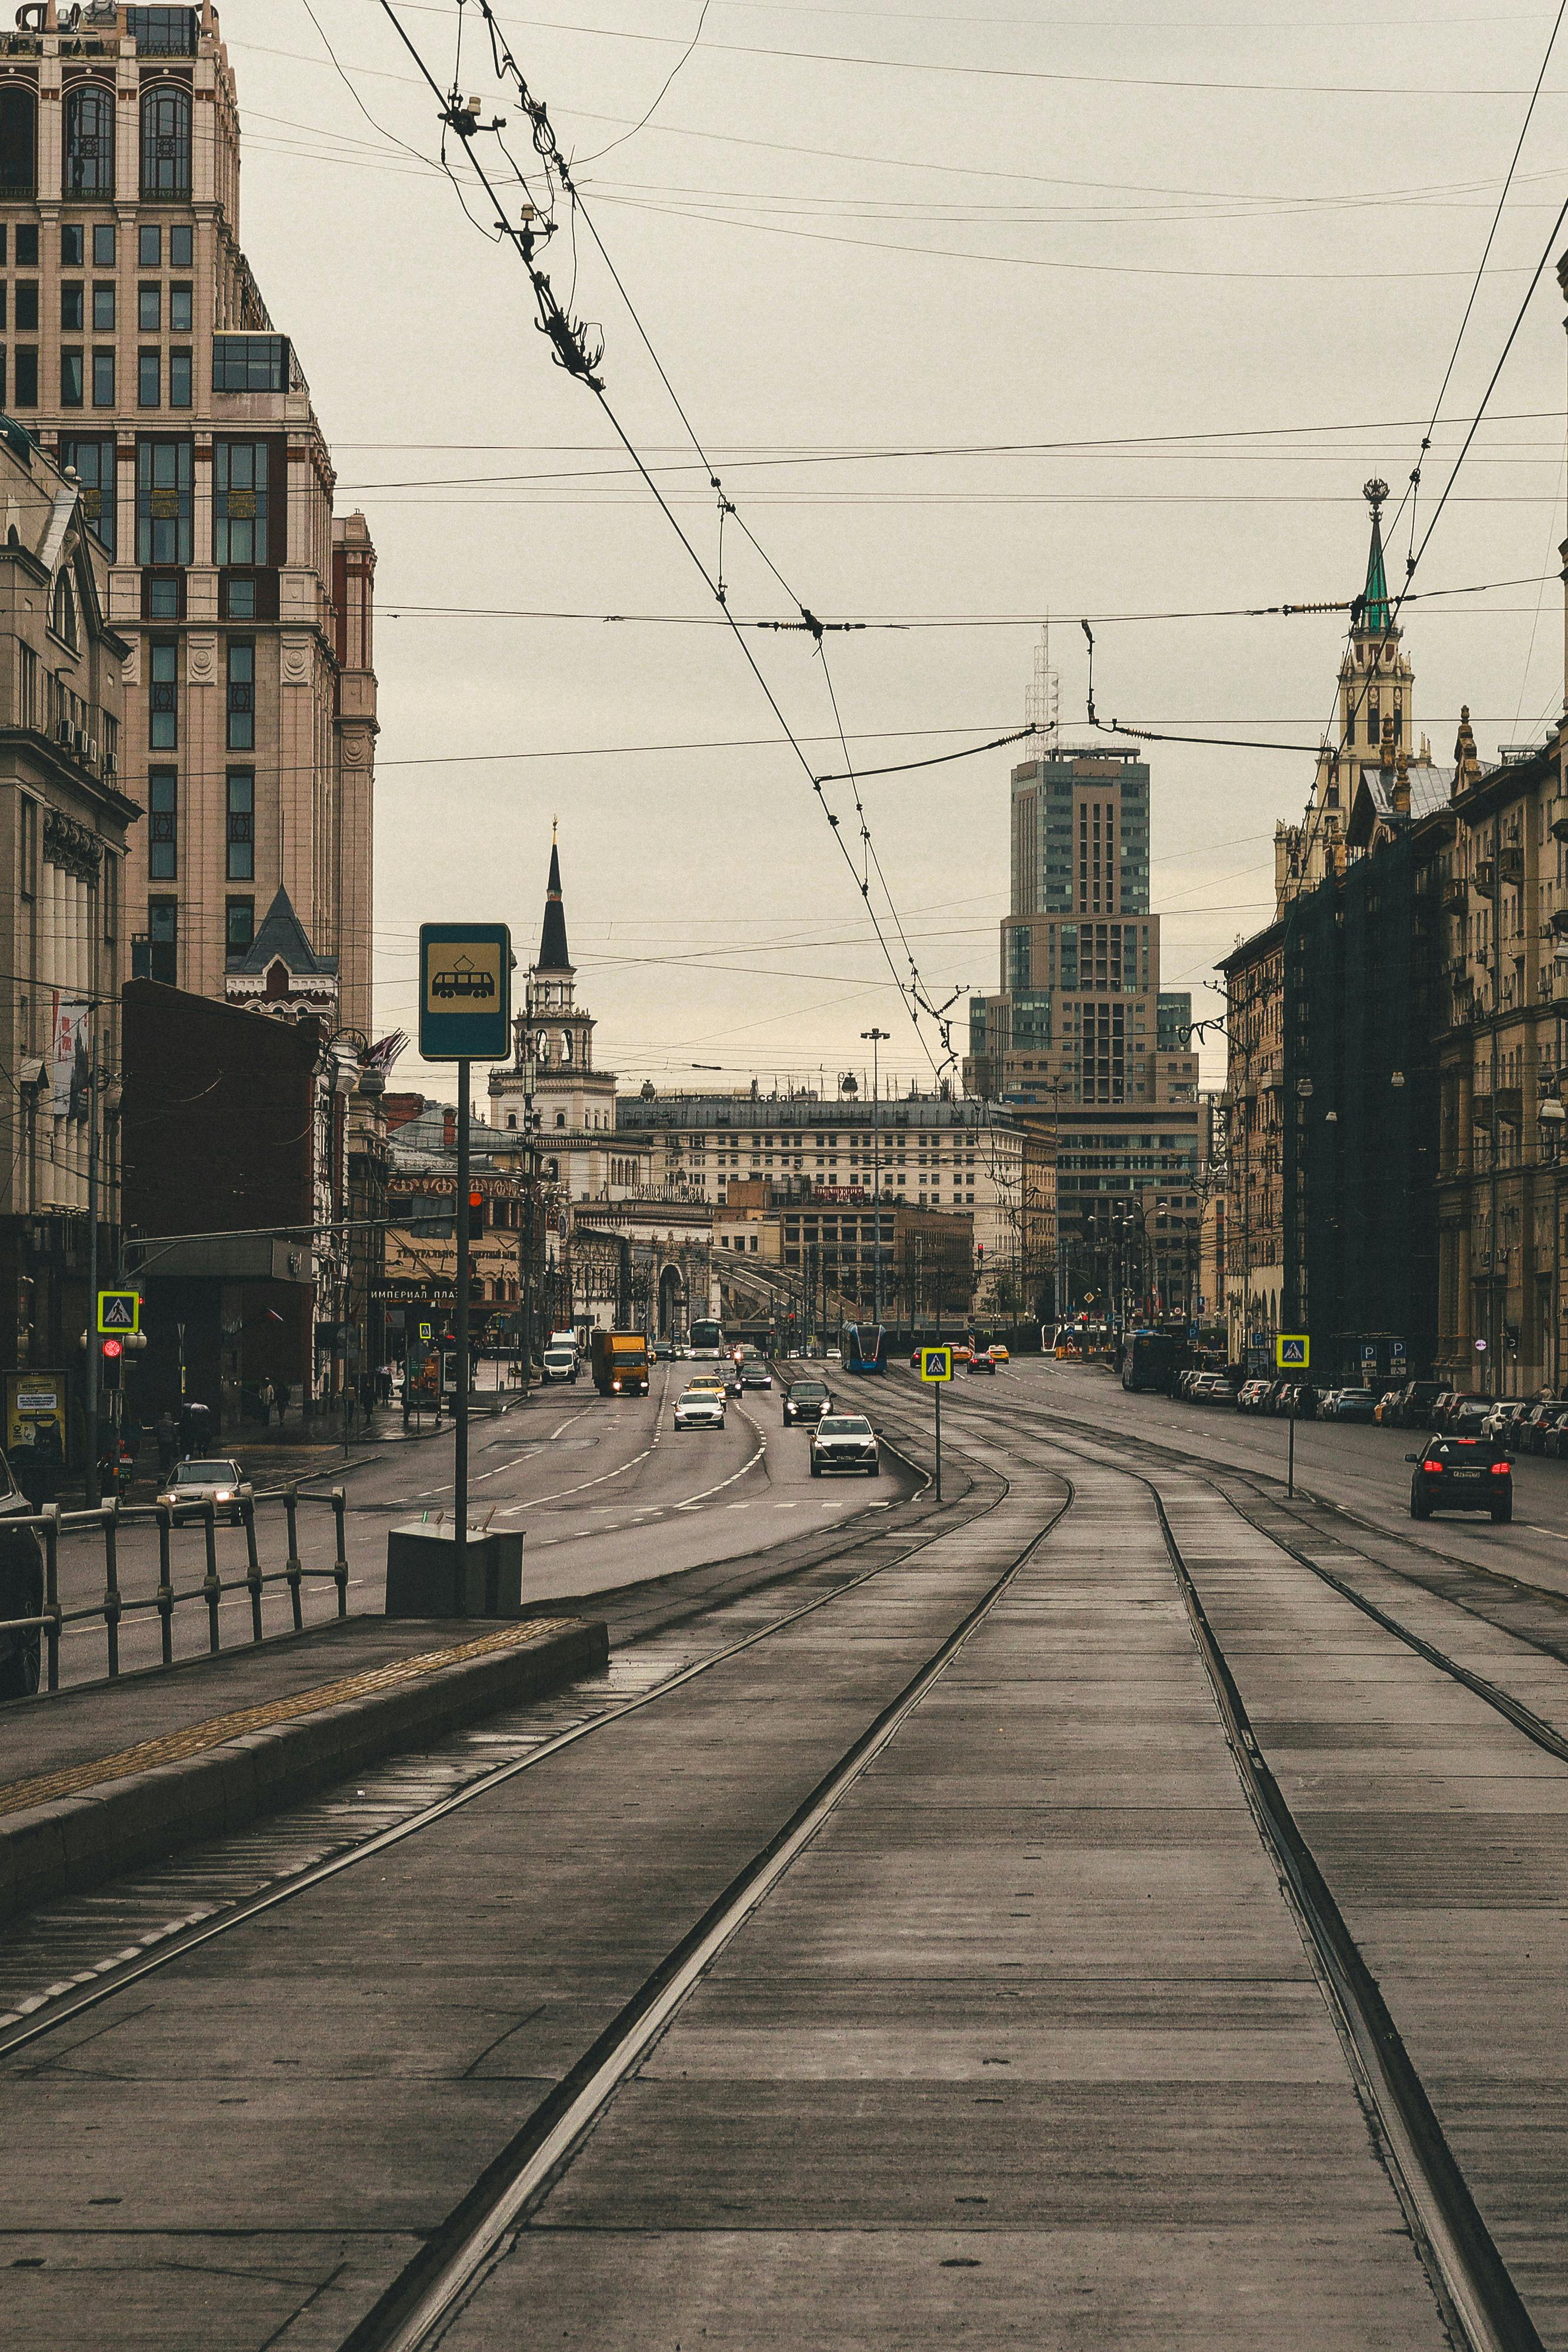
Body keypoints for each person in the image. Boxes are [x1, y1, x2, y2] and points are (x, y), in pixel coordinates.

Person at [155, 1409, 178, 1480]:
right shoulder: (171, 1424)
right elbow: (174, 1433)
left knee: (162, 1453)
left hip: (161, 1440)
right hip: (169, 1441)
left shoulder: (160, 1423)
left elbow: (156, 1430)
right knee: (168, 1453)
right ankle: (167, 1465)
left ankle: (162, 1464)